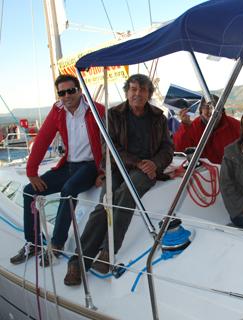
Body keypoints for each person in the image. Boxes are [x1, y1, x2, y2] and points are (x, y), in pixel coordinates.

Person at [64, 74, 174, 286]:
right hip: (117, 167)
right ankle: (79, 262)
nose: (137, 94)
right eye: (133, 89)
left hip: (146, 171)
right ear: (126, 92)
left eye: (142, 90)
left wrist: (154, 164)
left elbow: (168, 148)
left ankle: (107, 253)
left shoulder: (158, 117)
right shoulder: (114, 115)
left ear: (149, 94)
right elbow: (108, 147)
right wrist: (137, 162)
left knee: (127, 191)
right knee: (104, 204)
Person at [10, 74, 105, 266]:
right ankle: (34, 243)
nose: (67, 96)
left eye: (71, 91)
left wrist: (103, 171)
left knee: (69, 190)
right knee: (29, 191)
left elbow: (111, 143)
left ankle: (57, 244)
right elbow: (43, 139)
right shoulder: (58, 110)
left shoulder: (96, 110)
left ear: (79, 90)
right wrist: (32, 172)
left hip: (90, 166)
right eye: (62, 93)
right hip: (68, 165)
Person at [173, 95, 240, 164]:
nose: (211, 111)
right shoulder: (193, 126)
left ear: (222, 110)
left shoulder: (236, 126)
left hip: (230, 169)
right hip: (205, 171)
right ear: (201, 110)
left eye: (215, 107)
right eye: (206, 107)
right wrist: (185, 126)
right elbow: (179, 149)